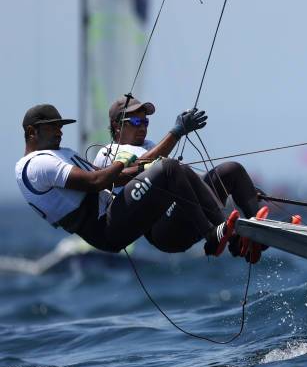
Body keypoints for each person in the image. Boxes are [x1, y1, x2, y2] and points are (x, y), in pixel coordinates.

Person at [15, 103, 243, 259]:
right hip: (105, 227)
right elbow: (96, 181)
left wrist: (143, 167)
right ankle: (213, 235)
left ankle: (232, 236)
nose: (59, 131)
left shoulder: (59, 153)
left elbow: (114, 179)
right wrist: (125, 162)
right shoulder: (36, 164)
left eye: (60, 125)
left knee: (174, 169)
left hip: (112, 213)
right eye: (52, 126)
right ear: (32, 132)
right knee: (170, 168)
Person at [94, 95, 271, 261]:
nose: (143, 127)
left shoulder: (149, 146)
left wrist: (240, 189)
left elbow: (186, 179)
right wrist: (176, 132)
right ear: (117, 125)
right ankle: (225, 237)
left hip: (186, 213)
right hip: (163, 231)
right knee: (172, 167)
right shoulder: (107, 153)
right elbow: (135, 170)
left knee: (232, 171)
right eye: (136, 121)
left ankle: (258, 238)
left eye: (145, 122)